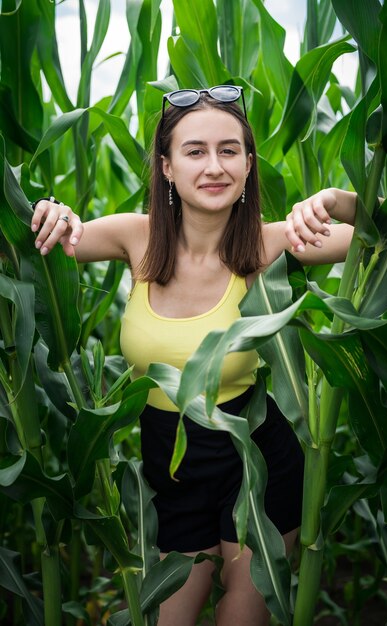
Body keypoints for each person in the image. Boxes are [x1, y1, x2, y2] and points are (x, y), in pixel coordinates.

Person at [31, 85, 357, 626]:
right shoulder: (135, 238)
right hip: (171, 472)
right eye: (195, 150)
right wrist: (51, 212)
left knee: (241, 614)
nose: (214, 166)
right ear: (166, 166)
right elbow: (38, 239)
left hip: (257, 469)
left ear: (249, 166)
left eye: (229, 151)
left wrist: (337, 200)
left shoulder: (269, 245)